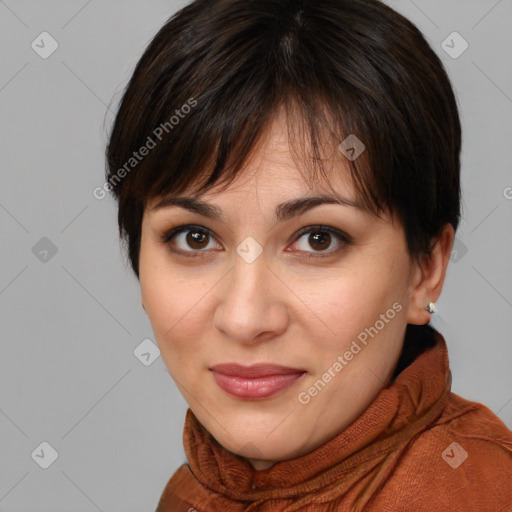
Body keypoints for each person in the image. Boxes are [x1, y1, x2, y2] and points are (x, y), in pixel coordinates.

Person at [105, 0, 512, 510]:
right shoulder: (193, 493)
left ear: (425, 270)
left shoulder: (473, 494)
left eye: (319, 239)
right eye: (194, 237)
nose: (245, 318)